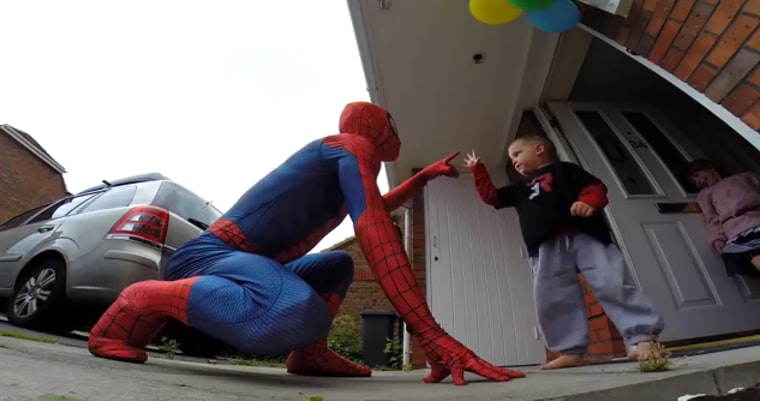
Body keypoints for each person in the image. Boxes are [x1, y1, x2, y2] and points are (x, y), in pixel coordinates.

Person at [87, 101, 526, 386]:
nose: (395, 134)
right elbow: (373, 226)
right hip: (209, 259)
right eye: (391, 124)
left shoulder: (346, 165)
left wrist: (422, 177)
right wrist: (430, 332)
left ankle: (309, 354)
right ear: (374, 125)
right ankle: (140, 298)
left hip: (249, 265)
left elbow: (377, 204)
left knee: (336, 264)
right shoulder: (348, 146)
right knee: (289, 311)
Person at [463, 135, 665, 370]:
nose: (514, 162)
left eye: (517, 154)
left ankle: (643, 338)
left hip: (585, 234)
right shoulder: (518, 188)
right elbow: (492, 198)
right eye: (511, 159)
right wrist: (478, 171)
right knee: (553, 296)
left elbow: (595, 187)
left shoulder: (565, 170)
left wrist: (589, 202)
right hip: (544, 244)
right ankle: (571, 350)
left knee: (612, 282)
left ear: (539, 149)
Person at [687, 159, 760, 276]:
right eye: (694, 182)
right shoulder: (705, 194)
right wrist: (716, 237)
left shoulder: (746, 177)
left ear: (710, 168)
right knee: (749, 253)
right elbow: (711, 219)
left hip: (756, 218)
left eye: (697, 175)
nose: (698, 182)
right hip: (738, 231)